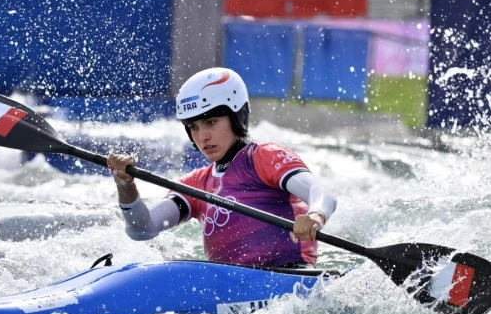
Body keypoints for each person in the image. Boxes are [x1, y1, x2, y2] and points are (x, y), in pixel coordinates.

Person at [107, 68, 337, 268]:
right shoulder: (195, 183)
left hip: (290, 278)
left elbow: (321, 192)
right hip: (229, 287)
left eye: (211, 122)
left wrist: (315, 215)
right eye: (193, 127)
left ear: (238, 116)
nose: (202, 136)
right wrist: (125, 186)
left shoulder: (263, 157)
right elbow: (143, 229)